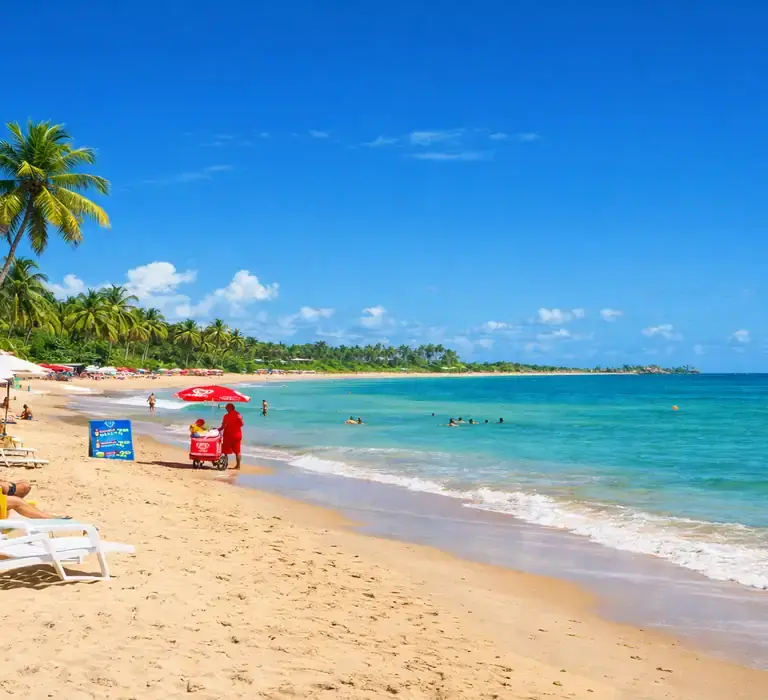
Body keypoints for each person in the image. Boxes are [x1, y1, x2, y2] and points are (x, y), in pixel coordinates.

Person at [219, 403, 244, 470]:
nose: (225, 408)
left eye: (226, 407)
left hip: (228, 435)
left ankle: (225, 463)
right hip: (237, 435)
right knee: (237, 451)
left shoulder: (226, 416)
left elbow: (223, 426)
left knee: (225, 450)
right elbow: (242, 424)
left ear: (229, 408)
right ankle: (238, 466)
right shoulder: (238, 414)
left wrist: (217, 429)